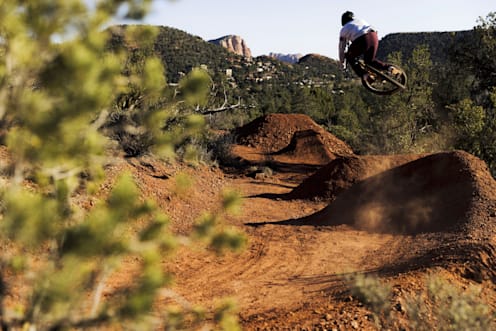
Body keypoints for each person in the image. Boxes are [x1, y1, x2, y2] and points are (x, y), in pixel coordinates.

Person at [338, 11, 394, 82]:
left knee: (350, 57)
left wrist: (342, 62)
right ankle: (389, 68)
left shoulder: (344, 29)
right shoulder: (360, 20)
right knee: (370, 61)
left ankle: (364, 74)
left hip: (362, 39)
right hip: (374, 36)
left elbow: (341, 48)